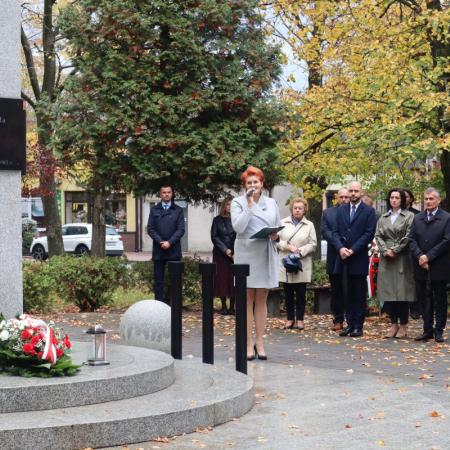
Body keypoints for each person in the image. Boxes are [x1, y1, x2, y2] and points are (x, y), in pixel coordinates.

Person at [231, 166, 280, 361]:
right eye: (249, 183)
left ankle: (260, 341)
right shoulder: (238, 202)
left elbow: (275, 225)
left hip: (265, 251)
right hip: (246, 252)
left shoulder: (272, 202)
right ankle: (247, 342)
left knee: (261, 299)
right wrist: (250, 206)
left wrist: (276, 235)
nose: (253, 185)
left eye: (256, 182)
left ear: (262, 183)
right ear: (245, 186)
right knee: (247, 298)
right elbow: (238, 226)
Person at [331, 181, 377, 337]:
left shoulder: (368, 211)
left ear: (361, 192)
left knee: (358, 293)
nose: (352, 194)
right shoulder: (341, 210)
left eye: (355, 191)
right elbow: (335, 232)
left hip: (358, 257)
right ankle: (349, 324)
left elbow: (368, 234)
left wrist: (353, 249)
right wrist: (340, 248)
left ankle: (358, 326)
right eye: (350, 190)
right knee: (347, 293)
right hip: (343, 257)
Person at [409, 188, 450, 343]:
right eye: (426, 198)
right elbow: (411, 239)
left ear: (438, 201)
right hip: (420, 265)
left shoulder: (446, 218)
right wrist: (420, 256)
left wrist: (428, 256)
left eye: (431, 199)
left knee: (439, 299)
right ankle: (427, 329)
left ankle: (439, 330)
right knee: (424, 299)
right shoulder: (417, 218)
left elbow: (447, 241)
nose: (428, 201)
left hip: (439, 265)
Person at [375, 189, 414, 338]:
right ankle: (393, 324)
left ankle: (403, 325)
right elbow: (378, 235)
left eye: (397, 197)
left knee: (402, 292)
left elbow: (409, 235)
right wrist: (385, 250)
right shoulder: (383, 217)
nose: (394, 200)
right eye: (391, 197)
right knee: (389, 291)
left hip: (402, 257)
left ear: (402, 200)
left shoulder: (409, 216)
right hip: (387, 257)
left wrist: (395, 249)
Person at [278, 198, 317, 330]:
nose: (297, 210)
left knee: (301, 293)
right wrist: (288, 247)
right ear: (291, 209)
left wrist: (300, 251)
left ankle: (300, 319)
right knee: (288, 293)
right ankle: (289, 319)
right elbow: (276, 241)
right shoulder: (282, 223)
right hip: (287, 262)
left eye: (300, 208)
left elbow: (313, 244)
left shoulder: (309, 225)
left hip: (302, 262)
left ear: (304, 209)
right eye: (295, 208)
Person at [147, 185, 185, 303]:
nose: (167, 194)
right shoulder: (154, 210)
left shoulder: (178, 210)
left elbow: (181, 230)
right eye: (164, 192)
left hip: (174, 250)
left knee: (175, 281)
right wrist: (161, 242)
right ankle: (159, 306)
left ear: (172, 194)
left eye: (169, 192)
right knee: (158, 281)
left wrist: (169, 242)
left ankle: (175, 306)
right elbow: (150, 229)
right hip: (159, 251)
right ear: (160, 194)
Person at [321, 188, 350, 331]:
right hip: (335, 255)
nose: (344, 199)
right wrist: (339, 246)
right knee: (336, 290)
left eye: (346, 196)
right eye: (341, 197)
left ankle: (352, 320)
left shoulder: (354, 212)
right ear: (336, 198)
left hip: (352, 255)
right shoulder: (328, 213)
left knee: (351, 290)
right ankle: (338, 319)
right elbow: (326, 231)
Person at [211, 197, 236, 315]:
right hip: (220, 254)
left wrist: (234, 251)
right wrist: (225, 250)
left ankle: (232, 306)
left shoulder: (237, 220)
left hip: (235, 254)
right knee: (222, 279)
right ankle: (223, 306)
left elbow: (238, 236)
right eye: (228, 205)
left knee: (233, 279)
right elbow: (214, 237)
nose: (230, 207)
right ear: (224, 206)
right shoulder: (217, 220)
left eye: (232, 205)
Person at [403, 188, 421, 319]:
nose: (404, 199)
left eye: (406, 196)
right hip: (398, 252)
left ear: (411, 198)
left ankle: (415, 308)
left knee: (413, 280)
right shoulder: (393, 213)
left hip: (412, 251)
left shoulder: (417, 214)